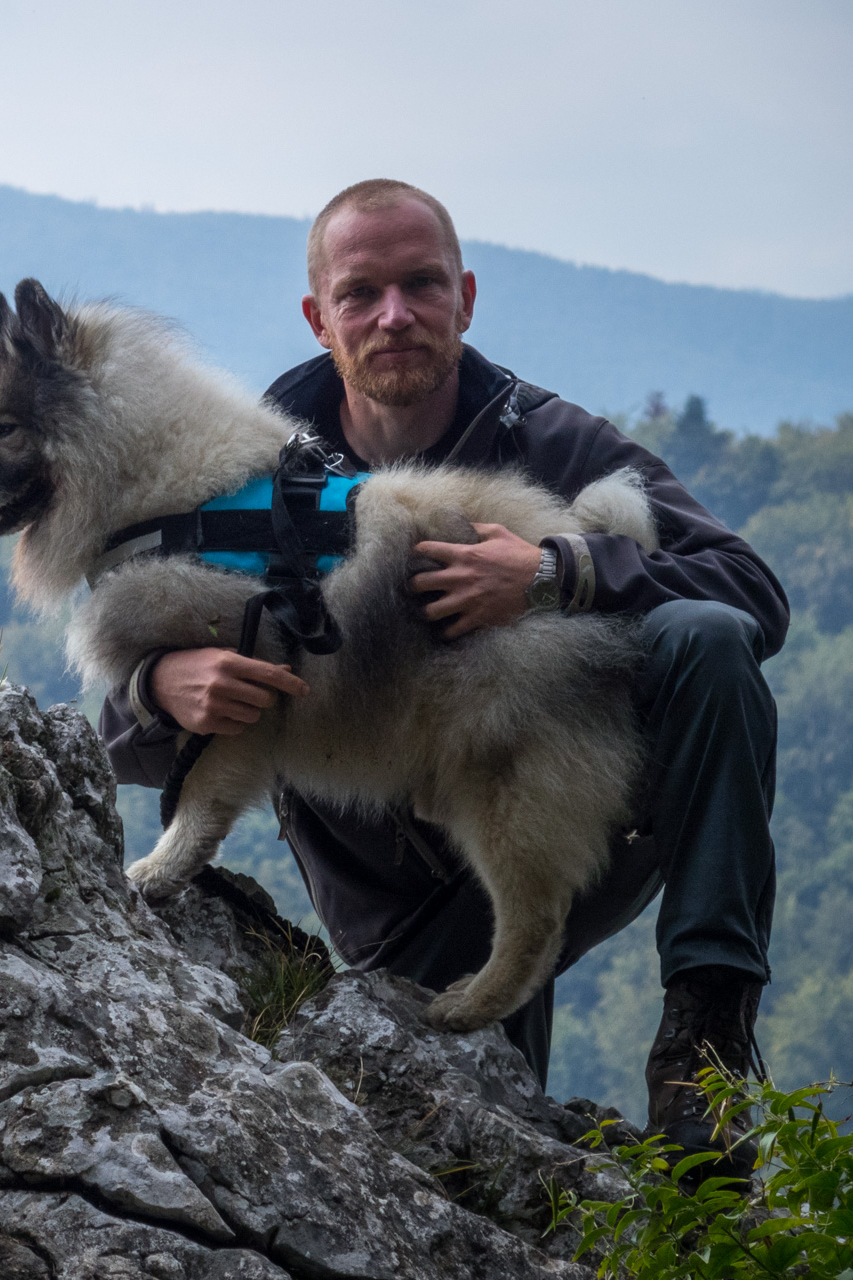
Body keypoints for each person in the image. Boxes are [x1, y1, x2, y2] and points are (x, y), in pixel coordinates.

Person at [99, 179, 786, 1175]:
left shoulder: (541, 439)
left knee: (706, 642)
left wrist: (560, 571)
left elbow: (748, 594)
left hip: (576, 801)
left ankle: (706, 1044)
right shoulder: (240, 468)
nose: (394, 316)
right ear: (317, 316)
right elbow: (123, 728)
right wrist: (161, 683)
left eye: (421, 286)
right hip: (396, 903)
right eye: (361, 292)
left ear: (465, 296)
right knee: (481, 1177)